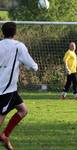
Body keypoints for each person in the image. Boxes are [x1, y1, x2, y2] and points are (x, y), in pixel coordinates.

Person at [0, 22, 38, 150]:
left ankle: (5, 135)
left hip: (11, 89)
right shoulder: (18, 46)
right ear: (15, 33)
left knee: (23, 110)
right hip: (5, 90)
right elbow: (33, 66)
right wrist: (31, 66)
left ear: (2, 32)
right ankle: (3, 136)